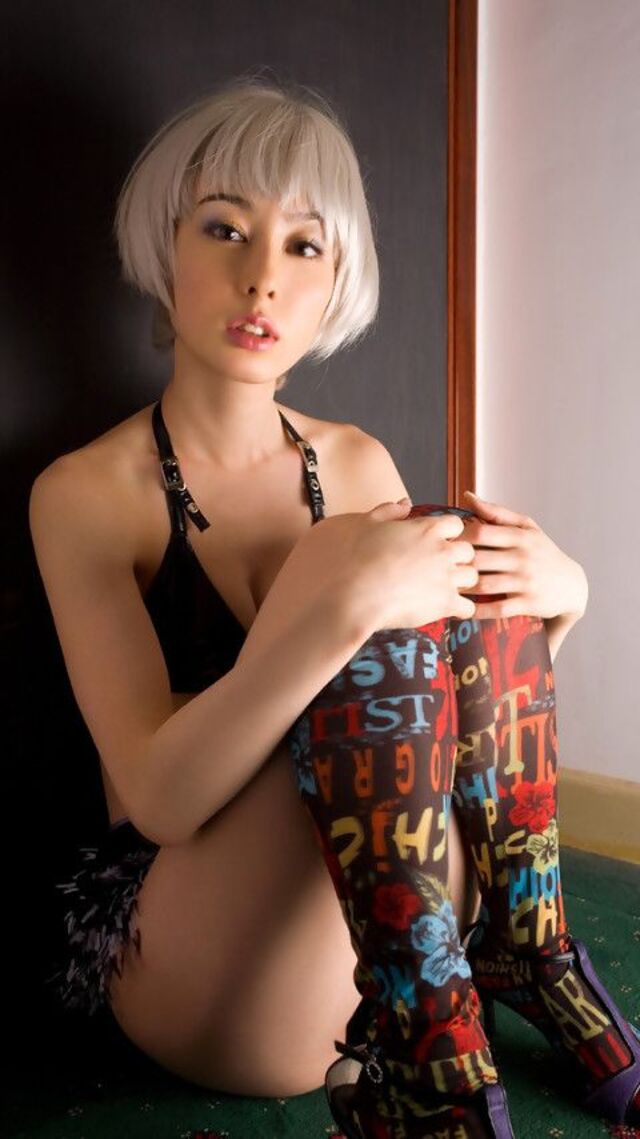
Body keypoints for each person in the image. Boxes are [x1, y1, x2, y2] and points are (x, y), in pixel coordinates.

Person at [29, 75, 639, 1139]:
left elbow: (460, 704)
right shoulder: (86, 494)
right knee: (370, 583)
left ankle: (515, 964)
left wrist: (560, 601)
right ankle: (434, 1024)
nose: (262, 276)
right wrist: (333, 613)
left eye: (303, 245)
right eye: (224, 228)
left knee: (449, 556)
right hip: (194, 948)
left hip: (387, 934)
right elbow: (156, 801)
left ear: (336, 279)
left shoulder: (355, 461)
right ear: (165, 246)